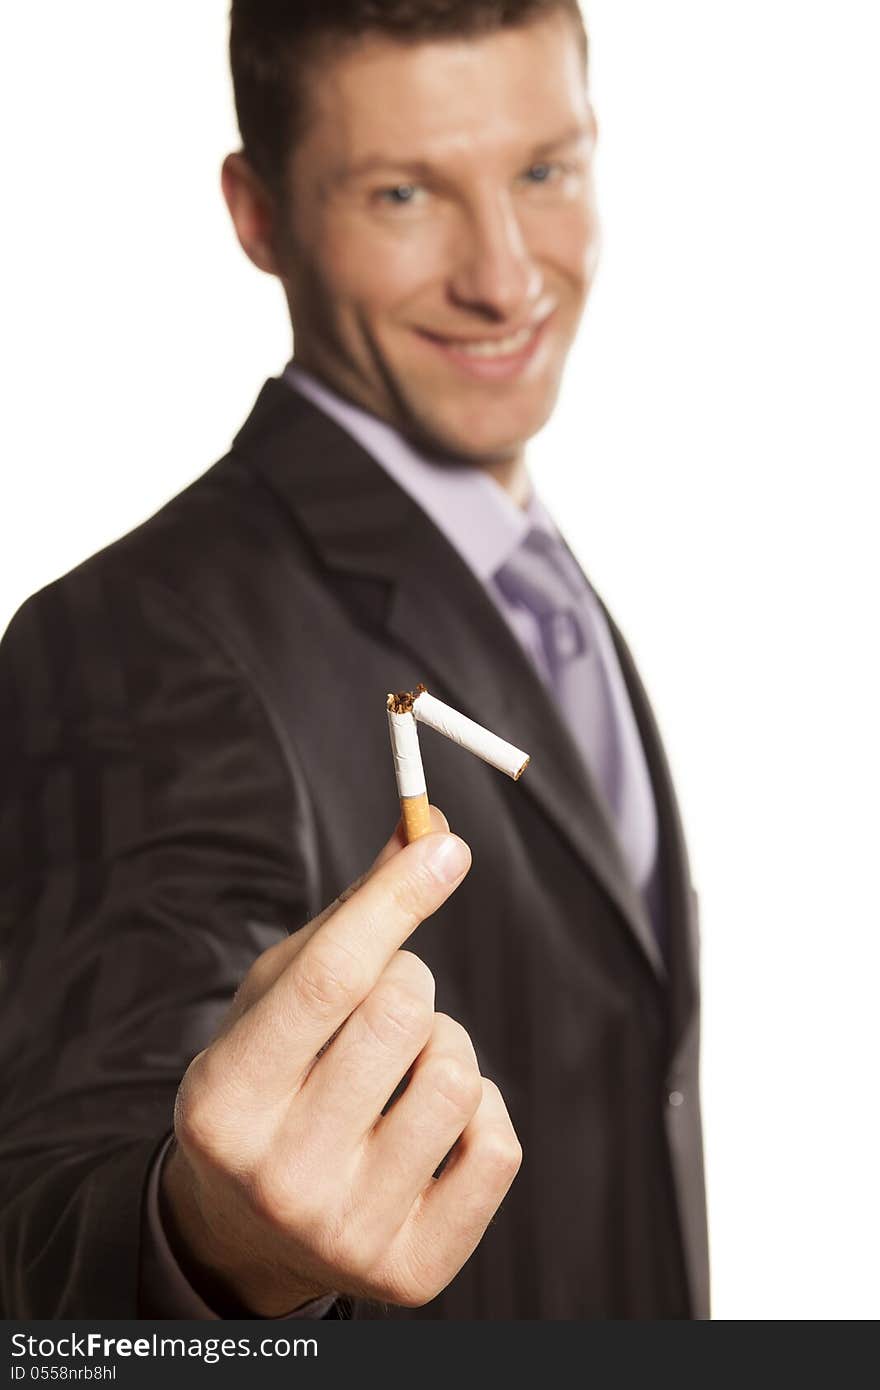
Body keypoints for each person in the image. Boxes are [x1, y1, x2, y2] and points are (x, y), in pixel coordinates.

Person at [0, 0, 708, 1319]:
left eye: (544, 171)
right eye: (402, 193)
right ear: (259, 217)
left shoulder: (531, 576)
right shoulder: (137, 639)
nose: (506, 273)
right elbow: (50, 1226)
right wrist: (208, 1250)